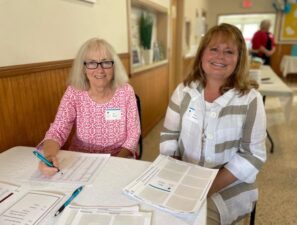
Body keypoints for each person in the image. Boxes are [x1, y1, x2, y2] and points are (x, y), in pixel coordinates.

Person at [160, 23, 266, 225]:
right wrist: (175, 167)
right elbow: (169, 135)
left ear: (239, 59)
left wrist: (208, 187)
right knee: (160, 214)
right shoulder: (184, 91)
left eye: (229, 52)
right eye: (214, 49)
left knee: (194, 221)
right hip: (185, 174)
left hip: (229, 184)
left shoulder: (250, 99)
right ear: (202, 54)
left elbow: (253, 155)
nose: (220, 57)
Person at [38, 38, 141, 176]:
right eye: (92, 63)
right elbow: (58, 130)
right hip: (81, 161)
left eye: (105, 62)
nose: (100, 69)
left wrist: (113, 163)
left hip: (119, 159)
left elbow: (133, 134)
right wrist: (49, 156)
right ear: (83, 68)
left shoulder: (126, 91)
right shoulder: (74, 92)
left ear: (114, 65)